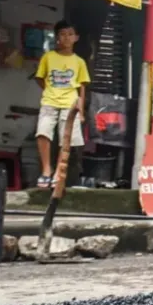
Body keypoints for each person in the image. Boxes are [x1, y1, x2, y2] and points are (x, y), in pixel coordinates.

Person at [34, 20, 89, 189]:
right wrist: (50, 90)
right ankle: (46, 170)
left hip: (70, 104)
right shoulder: (48, 57)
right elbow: (39, 78)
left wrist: (81, 110)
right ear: (57, 37)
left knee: (67, 139)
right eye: (63, 34)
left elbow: (82, 87)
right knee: (42, 132)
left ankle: (59, 172)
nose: (66, 38)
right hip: (49, 101)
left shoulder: (79, 62)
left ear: (76, 38)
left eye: (70, 34)